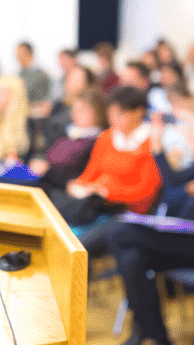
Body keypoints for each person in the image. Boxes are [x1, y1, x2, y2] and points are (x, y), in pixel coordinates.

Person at [107, 110, 194, 345]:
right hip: (185, 235)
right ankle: (155, 336)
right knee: (132, 258)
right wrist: (157, 146)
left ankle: (151, 333)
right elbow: (173, 186)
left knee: (121, 234)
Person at [64, 86, 163, 225]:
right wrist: (78, 185)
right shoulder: (106, 137)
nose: (113, 119)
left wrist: (107, 191)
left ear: (138, 113)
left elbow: (146, 192)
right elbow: (90, 174)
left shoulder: (152, 142)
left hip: (130, 215)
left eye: (119, 114)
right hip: (98, 206)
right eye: (111, 114)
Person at [16, 41, 52, 109]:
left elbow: (42, 101)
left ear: (30, 54)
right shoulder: (20, 74)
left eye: (21, 54)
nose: (18, 58)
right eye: (17, 54)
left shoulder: (41, 76)